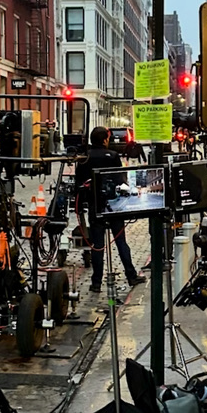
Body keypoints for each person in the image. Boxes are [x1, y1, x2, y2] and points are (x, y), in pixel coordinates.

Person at [77, 126, 146, 294]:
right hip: (113, 205)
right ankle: (131, 275)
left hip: (95, 206)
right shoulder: (113, 156)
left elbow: (78, 182)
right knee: (121, 241)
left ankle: (96, 282)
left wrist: (79, 206)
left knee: (97, 245)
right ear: (105, 140)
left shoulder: (84, 157)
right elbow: (120, 178)